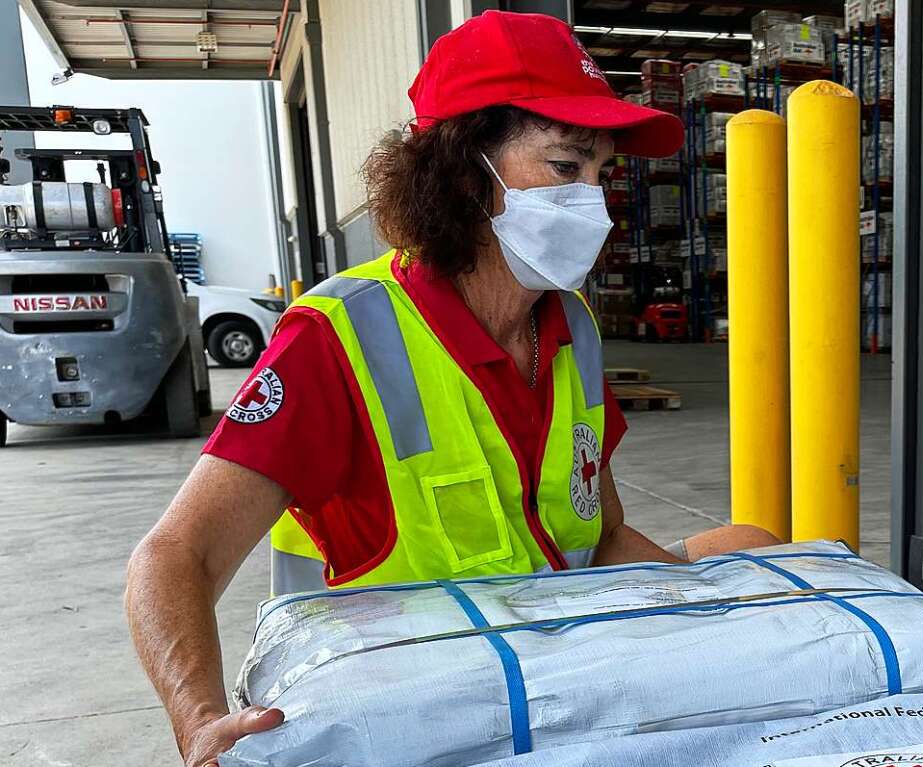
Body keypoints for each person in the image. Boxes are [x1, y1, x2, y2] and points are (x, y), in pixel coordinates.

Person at [125, 10, 778, 767]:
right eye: (567, 167)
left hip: (555, 691)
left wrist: (718, 608)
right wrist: (199, 720)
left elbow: (597, 539)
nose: (593, 203)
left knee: (752, 546)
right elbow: (175, 554)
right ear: (467, 174)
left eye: (602, 174)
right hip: (394, 717)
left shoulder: (573, 329)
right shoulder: (339, 336)